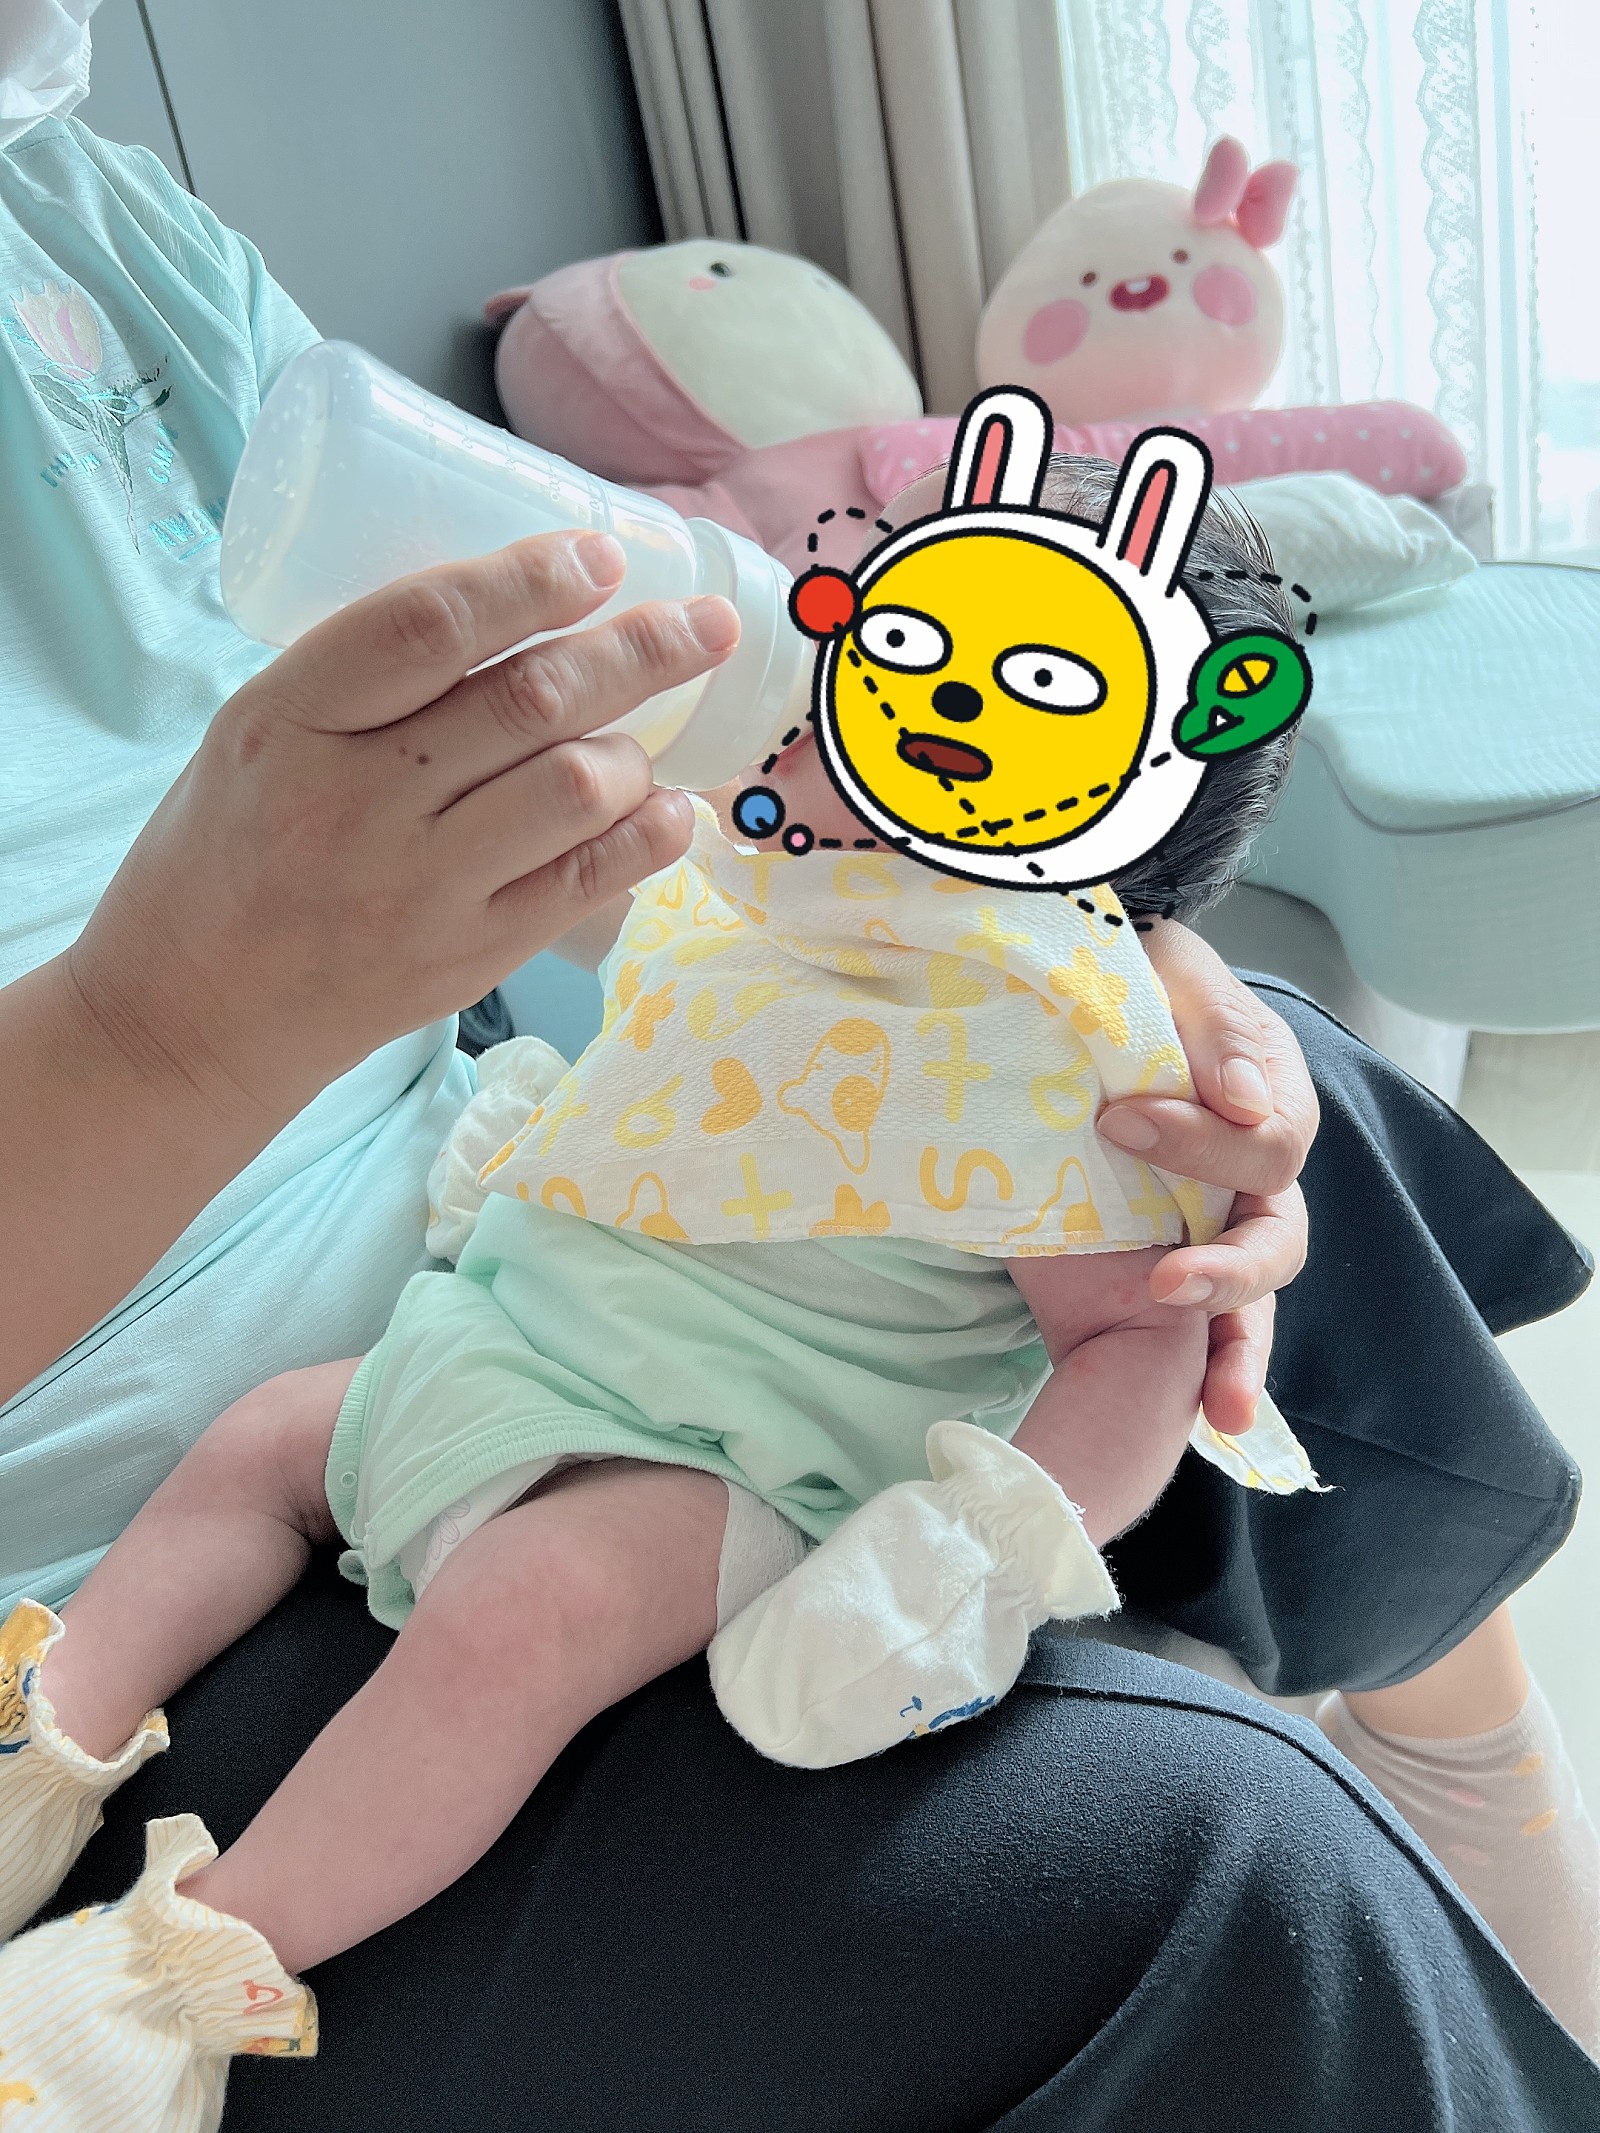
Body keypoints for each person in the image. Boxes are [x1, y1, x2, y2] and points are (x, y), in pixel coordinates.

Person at [0, 85, 1595, 2133]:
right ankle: (118, 1890)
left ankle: (1466, 1753)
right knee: (1236, 1867)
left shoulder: (85, 209)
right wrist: (156, 1026)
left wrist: (1114, 948)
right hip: (173, 1437)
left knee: (1287, 1107)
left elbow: (633, 729)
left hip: (532, 1274)